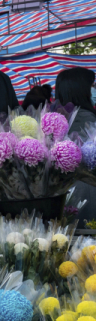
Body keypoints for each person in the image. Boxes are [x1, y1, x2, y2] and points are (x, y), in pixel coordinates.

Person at [55, 67, 96, 227]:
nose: (94, 89)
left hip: (65, 193)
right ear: (81, 89)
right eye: (92, 85)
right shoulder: (84, 119)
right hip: (87, 195)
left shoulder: (57, 117)